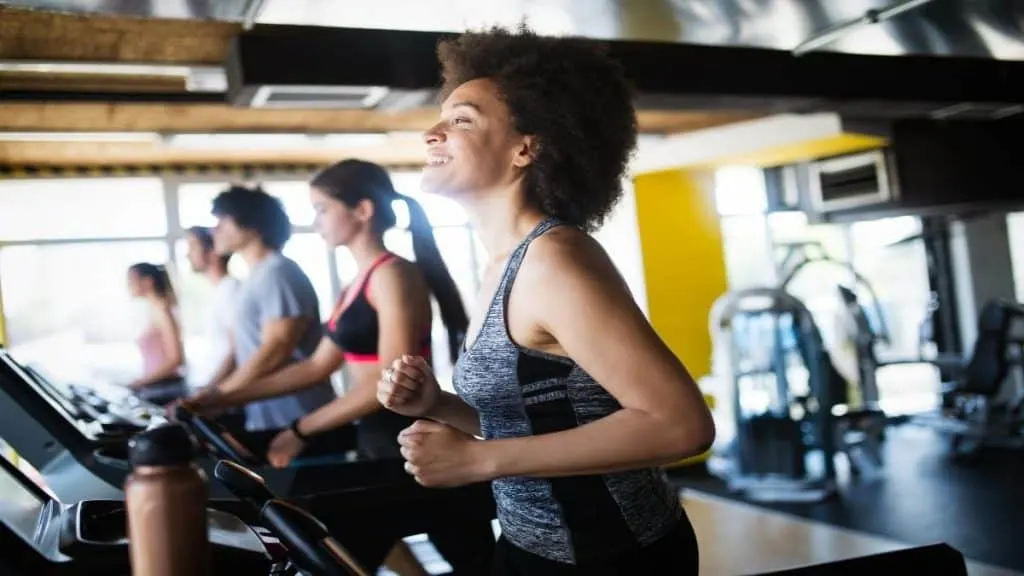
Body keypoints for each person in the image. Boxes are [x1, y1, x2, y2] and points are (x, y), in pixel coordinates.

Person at [376, 25, 716, 575]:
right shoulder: (503, 264)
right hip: (531, 547)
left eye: (461, 119)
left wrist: (480, 461)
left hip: (612, 557)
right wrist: (437, 406)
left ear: (525, 148)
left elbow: (680, 425)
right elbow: (537, 424)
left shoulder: (554, 259)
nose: (432, 133)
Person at [186, 160, 493, 575]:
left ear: (362, 210)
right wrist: (220, 397)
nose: (315, 223)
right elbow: (315, 366)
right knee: (354, 548)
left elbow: (392, 382)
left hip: (411, 433)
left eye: (322, 209)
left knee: (470, 558)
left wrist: (300, 429)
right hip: (377, 437)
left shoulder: (393, 275)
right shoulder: (356, 282)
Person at [185, 185, 335, 441]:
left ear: (252, 225)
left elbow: (276, 349)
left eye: (222, 221)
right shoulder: (256, 276)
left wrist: (222, 395)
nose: (214, 230)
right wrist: (214, 390)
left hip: (298, 421)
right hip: (270, 418)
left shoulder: (278, 273)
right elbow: (248, 349)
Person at [183, 226, 241, 394]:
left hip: (222, 393)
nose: (187, 254)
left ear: (213, 250)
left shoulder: (231, 290)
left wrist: (210, 390)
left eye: (193, 246)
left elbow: (237, 349)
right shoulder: (219, 291)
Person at [125, 262, 186, 405]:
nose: (128, 286)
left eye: (131, 280)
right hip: (157, 386)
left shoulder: (163, 310)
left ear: (148, 281)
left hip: (166, 390)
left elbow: (176, 358)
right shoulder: (153, 310)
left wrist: (141, 382)